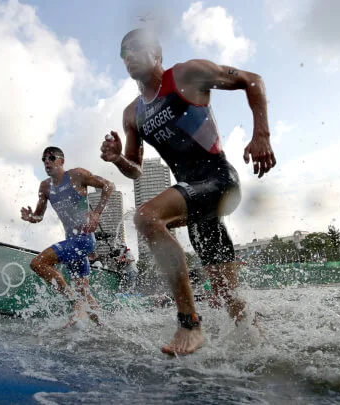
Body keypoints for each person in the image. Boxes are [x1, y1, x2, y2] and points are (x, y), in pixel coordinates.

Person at [100, 29, 276, 355]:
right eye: (123, 52)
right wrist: (116, 159)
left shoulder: (186, 74)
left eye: (136, 48)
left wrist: (261, 135)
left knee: (146, 217)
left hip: (219, 180)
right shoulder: (132, 114)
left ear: (157, 53)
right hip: (196, 201)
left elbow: (252, 80)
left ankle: (189, 323)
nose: (128, 56)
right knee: (227, 295)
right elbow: (135, 169)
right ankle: (265, 351)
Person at [21, 146, 115, 327]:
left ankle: (75, 303)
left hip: (84, 240)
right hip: (72, 243)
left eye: (51, 157)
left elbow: (108, 185)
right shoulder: (45, 187)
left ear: (61, 161)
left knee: (38, 263)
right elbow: (39, 216)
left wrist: (96, 213)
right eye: (44, 159)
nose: (47, 162)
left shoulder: (76, 175)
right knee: (83, 292)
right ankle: (105, 328)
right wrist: (31, 217)